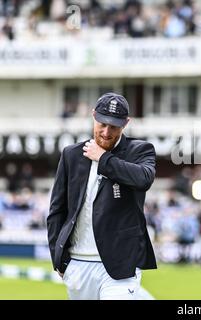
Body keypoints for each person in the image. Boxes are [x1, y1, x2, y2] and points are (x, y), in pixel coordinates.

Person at [47, 92, 157, 300]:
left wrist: (104, 159)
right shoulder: (71, 154)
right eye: (102, 124)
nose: (106, 132)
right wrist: (58, 258)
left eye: (114, 126)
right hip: (78, 265)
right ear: (93, 116)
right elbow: (57, 210)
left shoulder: (140, 150)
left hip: (121, 266)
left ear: (126, 123)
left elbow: (144, 179)